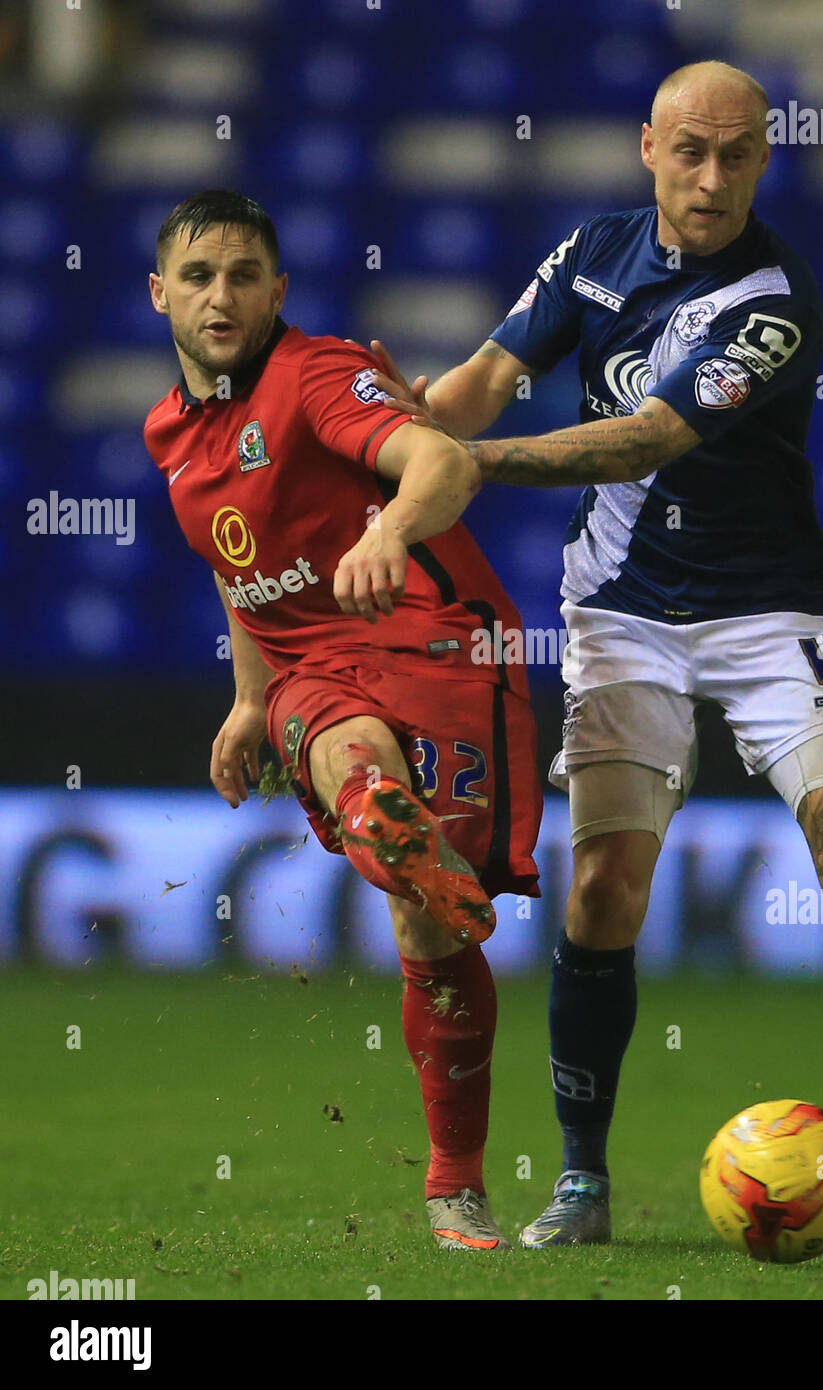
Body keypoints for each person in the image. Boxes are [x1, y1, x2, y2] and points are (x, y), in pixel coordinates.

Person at [370, 62, 823, 1248]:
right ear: (646, 144)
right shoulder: (592, 248)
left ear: (765, 159)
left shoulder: (772, 296)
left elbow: (645, 438)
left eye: (739, 156)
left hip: (768, 610)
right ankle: (583, 1182)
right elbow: (484, 381)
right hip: (621, 608)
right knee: (606, 888)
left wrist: (472, 467)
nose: (712, 180)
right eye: (690, 151)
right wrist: (406, 424)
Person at [143, 188, 542, 1251]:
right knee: (349, 757)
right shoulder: (171, 435)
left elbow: (445, 459)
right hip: (315, 663)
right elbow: (241, 570)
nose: (220, 295)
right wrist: (245, 697)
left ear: (279, 290)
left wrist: (392, 532)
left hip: (437, 638)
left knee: (431, 928)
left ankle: (457, 1179)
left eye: (242, 275)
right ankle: (378, 809)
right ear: (159, 295)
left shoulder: (314, 375)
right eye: (197, 275)